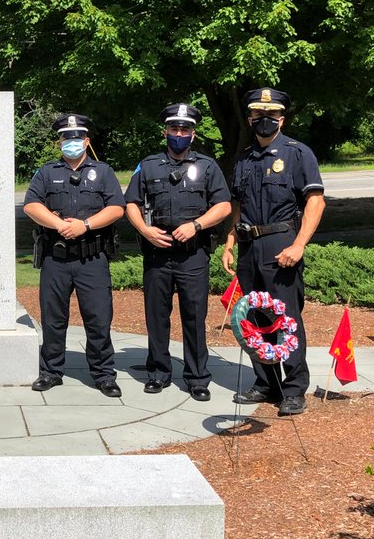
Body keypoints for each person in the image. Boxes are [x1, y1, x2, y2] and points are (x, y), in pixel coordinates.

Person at [222, 88, 326, 416]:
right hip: (249, 248)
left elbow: (315, 201)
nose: (264, 121)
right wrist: (229, 242)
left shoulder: (298, 154)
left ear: (281, 118)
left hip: (281, 245)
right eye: (257, 115)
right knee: (255, 318)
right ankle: (267, 383)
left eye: (271, 116)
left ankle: (294, 388)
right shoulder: (244, 159)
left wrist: (299, 245)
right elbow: (238, 205)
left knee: (286, 318)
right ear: (250, 119)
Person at [125, 103, 232, 401]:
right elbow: (131, 203)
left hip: (193, 255)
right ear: (165, 132)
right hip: (157, 253)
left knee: (194, 316)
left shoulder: (208, 167)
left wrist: (197, 225)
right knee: (156, 315)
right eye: (174, 129)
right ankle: (158, 373)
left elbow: (223, 206)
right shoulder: (148, 165)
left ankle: (197, 377)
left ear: (193, 134)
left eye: (185, 129)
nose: (179, 134)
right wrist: (144, 231)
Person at [23, 113, 126, 395]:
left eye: (77, 137)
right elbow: (31, 205)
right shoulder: (47, 172)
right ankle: (51, 371)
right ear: (60, 142)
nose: (72, 142)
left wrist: (85, 225)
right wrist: (59, 225)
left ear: (86, 140)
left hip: (92, 258)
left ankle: (104, 374)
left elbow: (117, 208)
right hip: (56, 258)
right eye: (67, 138)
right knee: (53, 318)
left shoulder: (103, 172)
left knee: (98, 317)